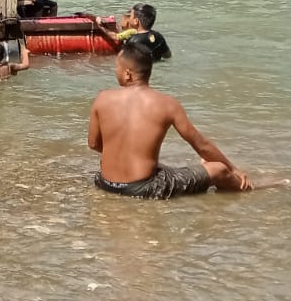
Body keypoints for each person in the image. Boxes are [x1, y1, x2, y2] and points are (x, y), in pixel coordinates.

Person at [88, 41, 252, 199]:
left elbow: (94, 144)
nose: (115, 71)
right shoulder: (167, 104)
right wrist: (234, 169)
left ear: (128, 73)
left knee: (158, 166)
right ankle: (254, 188)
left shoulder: (102, 98)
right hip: (145, 188)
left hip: (105, 183)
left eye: (117, 67)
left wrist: (126, 155)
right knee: (219, 169)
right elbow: (201, 145)